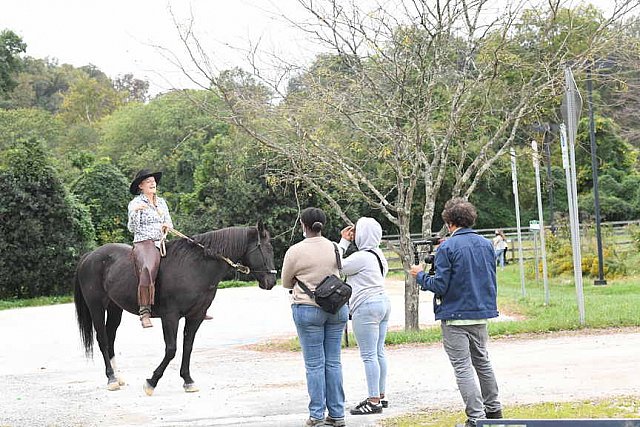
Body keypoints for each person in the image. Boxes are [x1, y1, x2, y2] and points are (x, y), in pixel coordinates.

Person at [409, 198, 503, 427]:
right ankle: (494, 410)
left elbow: (440, 285)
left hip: (454, 315)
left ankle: (476, 416)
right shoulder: (486, 244)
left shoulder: (447, 247)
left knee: (462, 366)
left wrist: (420, 275)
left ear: (450, 223)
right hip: (480, 312)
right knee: (482, 361)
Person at [281, 207, 349, 427]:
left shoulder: (295, 251)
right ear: (323, 225)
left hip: (308, 308)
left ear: (303, 225)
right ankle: (337, 414)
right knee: (334, 362)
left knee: (314, 365)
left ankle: (317, 415)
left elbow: (285, 282)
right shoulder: (334, 247)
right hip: (337, 309)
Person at [338, 217, 391, 416]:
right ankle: (381, 394)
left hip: (366, 306)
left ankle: (373, 400)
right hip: (383, 302)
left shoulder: (361, 257)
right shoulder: (379, 254)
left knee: (368, 355)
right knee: (379, 352)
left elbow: (336, 266)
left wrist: (344, 241)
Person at [127, 169, 173, 328]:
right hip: (144, 242)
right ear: (141, 186)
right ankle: (145, 311)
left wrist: (167, 226)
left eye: (153, 181)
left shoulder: (162, 202)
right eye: (148, 181)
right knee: (148, 267)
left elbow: (169, 223)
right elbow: (132, 228)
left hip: (162, 241)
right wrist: (136, 213)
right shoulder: (135, 204)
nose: (153, 183)